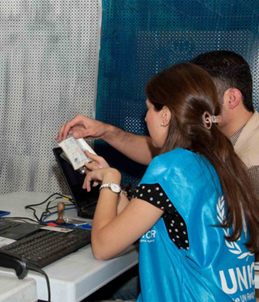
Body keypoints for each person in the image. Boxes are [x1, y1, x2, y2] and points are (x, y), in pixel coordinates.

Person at [80, 62, 258, 301]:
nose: (145, 118)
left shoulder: (171, 166)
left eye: (148, 109)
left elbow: (102, 247)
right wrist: (114, 185)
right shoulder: (220, 160)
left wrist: (109, 182)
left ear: (165, 115)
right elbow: (144, 223)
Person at [57, 51, 258, 194]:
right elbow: (167, 152)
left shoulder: (253, 165)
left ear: (232, 99)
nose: (192, 102)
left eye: (203, 95)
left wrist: (111, 187)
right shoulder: (214, 134)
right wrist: (106, 132)